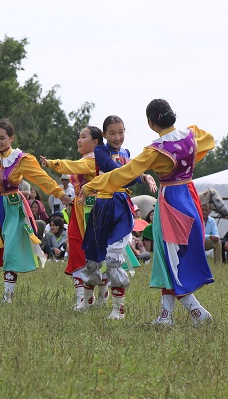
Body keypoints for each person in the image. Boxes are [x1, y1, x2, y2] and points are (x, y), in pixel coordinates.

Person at [79, 99, 214, 327]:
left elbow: (124, 173)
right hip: (190, 196)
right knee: (167, 256)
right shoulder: (192, 135)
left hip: (171, 201)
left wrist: (92, 185)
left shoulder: (156, 150)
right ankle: (165, 315)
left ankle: (197, 312)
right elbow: (207, 142)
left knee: (171, 258)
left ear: (151, 123)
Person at [0, 119, 71, 303]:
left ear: (11, 138)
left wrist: (59, 192)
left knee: (11, 246)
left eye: (2, 138)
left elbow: (41, 178)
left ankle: (8, 294)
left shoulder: (21, 159)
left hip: (14, 206)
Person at [78, 115, 157, 320]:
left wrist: (146, 175)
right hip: (102, 207)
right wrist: (139, 175)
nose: (117, 136)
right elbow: (116, 171)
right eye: (112, 133)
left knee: (114, 258)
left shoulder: (126, 153)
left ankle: (118, 309)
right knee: (93, 259)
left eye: (121, 131)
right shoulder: (101, 151)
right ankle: (87, 300)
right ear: (104, 135)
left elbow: (130, 170)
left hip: (121, 207)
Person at [41, 125, 108, 310]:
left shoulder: (94, 160)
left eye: (83, 137)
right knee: (77, 251)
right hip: (78, 210)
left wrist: (52, 163)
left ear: (95, 142)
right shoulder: (86, 160)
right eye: (79, 136)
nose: (79, 140)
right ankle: (83, 298)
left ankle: (102, 292)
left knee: (97, 254)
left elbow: (70, 165)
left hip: (94, 211)